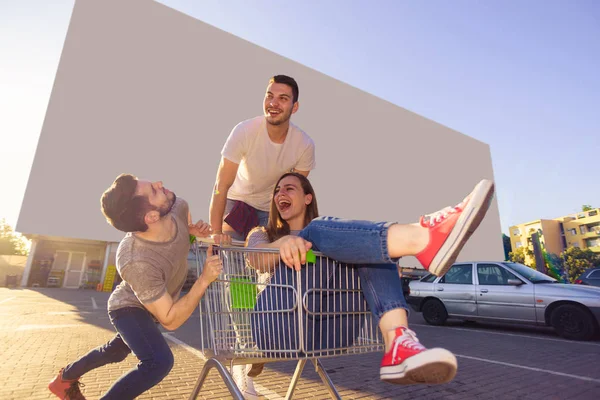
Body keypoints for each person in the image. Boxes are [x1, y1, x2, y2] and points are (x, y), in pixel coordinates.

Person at [238, 172, 494, 391]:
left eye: (289, 188)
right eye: (277, 190)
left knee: (369, 250)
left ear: (307, 198)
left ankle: (398, 342)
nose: (280, 193)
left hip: (330, 331)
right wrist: (284, 242)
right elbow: (258, 260)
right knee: (318, 232)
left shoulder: (333, 235)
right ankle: (423, 238)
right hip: (278, 327)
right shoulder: (263, 234)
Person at [48, 174, 222, 400]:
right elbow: (170, 319)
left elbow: (181, 229)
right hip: (128, 307)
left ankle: (64, 379)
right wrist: (204, 280)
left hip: (152, 306)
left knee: (117, 351)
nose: (160, 183)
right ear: (151, 216)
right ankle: (66, 380)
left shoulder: (177, 206)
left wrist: (192, 231)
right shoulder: (135, 259)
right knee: (159, 361)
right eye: (153, 190)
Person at [209, 75, 316, 243]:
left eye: (283, 98)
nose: (273, 103)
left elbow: (296, 194)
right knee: (229, 256)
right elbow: (220, 185)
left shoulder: (304, 145)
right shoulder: (244, 131)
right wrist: (215, 232)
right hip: (238, 202)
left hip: (271, 209)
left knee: (266, 261)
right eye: (269, 96)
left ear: (294, 107)